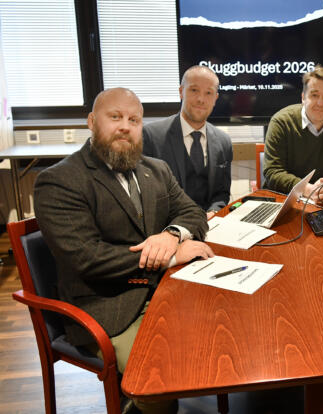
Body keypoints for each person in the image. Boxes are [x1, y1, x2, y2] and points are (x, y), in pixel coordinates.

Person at [34, 88, 214, 414]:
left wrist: (171, 235)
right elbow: (88, 258)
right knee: (158, 380)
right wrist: (172, 256)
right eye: (115, 117)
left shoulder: (156, 169)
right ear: (92, 121)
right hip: (106, 305)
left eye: (134, 120)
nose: (125, 127)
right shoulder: (59, 181)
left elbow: (193, 213)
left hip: (165, 290)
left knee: (218, 339)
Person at [263, 65, 323, 203]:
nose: (320, 103)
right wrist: (306, 189)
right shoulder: (281, 122)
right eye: (314, 95)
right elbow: (273, 171)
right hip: (284, 200)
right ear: (303, 97)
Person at [143, 65, 232, 218]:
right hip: (169, 225)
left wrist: (213, 213)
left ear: (215, 99)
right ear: (181, 91)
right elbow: (148, 195)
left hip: (210, 224)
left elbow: (221, 193)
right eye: (194, 90)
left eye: (208, 93)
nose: (201, 99)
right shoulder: (151, 136)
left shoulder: (224, 142)